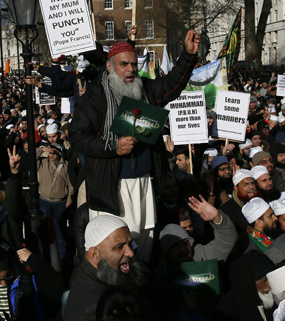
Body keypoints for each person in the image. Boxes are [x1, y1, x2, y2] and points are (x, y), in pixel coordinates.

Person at [69, 31, 200, 261]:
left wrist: (188, 56)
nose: (130, 69)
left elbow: (171, 85)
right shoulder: (94, 97)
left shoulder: (146, 88)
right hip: (111, 187)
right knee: (116, 250)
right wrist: (113, 147)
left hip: (144, 184)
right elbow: (77, 137)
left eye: (133, 64)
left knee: (144, 245)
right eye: (123, 64)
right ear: (110, 67)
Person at [64, 215, 145, 321]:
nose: (130, 253)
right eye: (119, 247)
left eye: (130, 244)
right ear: (94, 255)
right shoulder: (96, 306)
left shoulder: (92, 273)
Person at [216, 251, 276, 321]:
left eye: (271, 277)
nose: (270, 285)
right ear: (248, 282)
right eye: (264, 280)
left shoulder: (272, 297)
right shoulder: (227, 311)